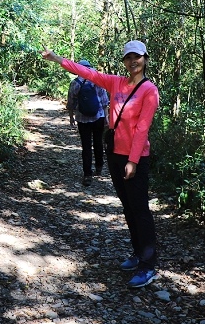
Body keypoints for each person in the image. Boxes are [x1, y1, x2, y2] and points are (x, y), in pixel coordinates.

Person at [41, 41, 160, 288]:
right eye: (128, 57)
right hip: (115, 153)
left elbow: (142, 129)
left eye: (136, 57)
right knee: (128, 208)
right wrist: (57, 59)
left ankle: (148, 266)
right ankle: (138, 254)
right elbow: (88, 73)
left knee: (140, 210)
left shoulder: (149, 90)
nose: (132, 61)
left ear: (145, 58)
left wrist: (133, 161)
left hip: (134, 159)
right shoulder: (116, 83)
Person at [66, 59, 110, 187]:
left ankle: (87, 175)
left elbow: (71, 103)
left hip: (82, 118)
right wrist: (106, 117)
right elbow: (104, 101)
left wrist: (71, 117)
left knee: (86, 146)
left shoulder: (75, 83)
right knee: (98, 142)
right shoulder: (98, 81)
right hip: (99, 117)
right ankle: (99, 166)